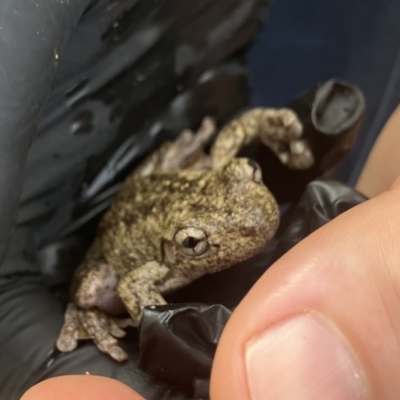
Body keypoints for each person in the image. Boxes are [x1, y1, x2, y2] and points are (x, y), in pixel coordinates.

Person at [21, 107, 400, 400]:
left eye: (248, 172)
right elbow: (133, 285)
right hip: (126, 237)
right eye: (195, 242)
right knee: (90, 293)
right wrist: (171, 330)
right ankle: (89, 310)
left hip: (162, 189)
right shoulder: (154, 265)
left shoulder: (222, 180)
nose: (255, 222)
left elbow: (235, 134)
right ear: (178, 248)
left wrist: (264, 123)